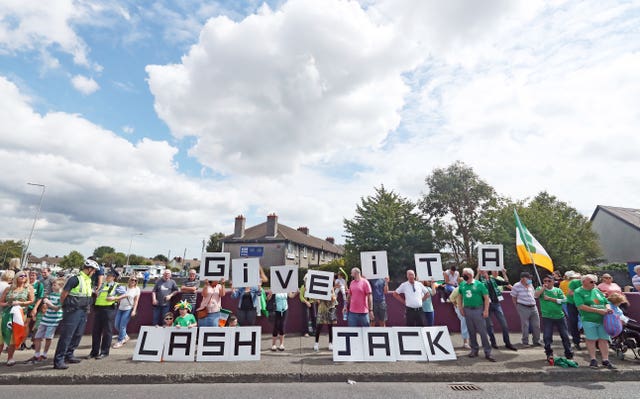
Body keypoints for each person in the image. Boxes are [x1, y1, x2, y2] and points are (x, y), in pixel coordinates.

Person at [53, 259, 99, 369]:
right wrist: (64, 306)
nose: (94, 273)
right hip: (72, 310)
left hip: (83, 310)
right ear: (89, 269)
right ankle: (59, 360)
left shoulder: (88, 280)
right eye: (94, 270)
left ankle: (69, 354)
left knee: (78, 334)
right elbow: (64, 294)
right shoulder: (75, 279)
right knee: (67, 335)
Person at [573, 274, 615, 369]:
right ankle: (593, 359)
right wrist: (598, 311)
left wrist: (608, 308)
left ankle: (605, 360)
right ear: (584, 282)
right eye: (591, 282)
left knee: (603, 339)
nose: (594, 283)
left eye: (595, 282)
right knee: (591, 339)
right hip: (589, 319)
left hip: (602, 320)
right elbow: (580, 306)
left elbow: (606, 302)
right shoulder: (578, 291)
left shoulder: (596, 290)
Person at [457, 268, 494, 361]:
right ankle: (474, 350)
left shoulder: (479, 284)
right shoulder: (462, 285)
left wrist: (486, 310)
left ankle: (487, 352)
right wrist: (460, 308)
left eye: (464, 274)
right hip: (467, 309)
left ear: (470, 275)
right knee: (471, 331)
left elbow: (486, 298)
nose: (463, 275)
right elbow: (460, 297)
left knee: (482, 332)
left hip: (478, 309)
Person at [534, 275, 573, 362]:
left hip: (559, 316)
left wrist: (551, 299)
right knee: (547, 336)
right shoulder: (540, 289)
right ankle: (549, 353)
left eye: (549, 281)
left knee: (565, 336)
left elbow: (564, 300)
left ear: (553, 281)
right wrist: (542, 289)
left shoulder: (557, 290)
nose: (547, 282)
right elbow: (536, 296)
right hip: (547, 317)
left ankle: (568, 353)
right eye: (545, 281)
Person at [477, 269, 517, 351]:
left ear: (487, 271)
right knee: (489, 325)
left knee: (504, 324)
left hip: (496, 303)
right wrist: (478, 272)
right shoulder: (480, 280)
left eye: (483, 270)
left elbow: (506, 282)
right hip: (486, 305)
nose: (482, 272)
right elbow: (475, 282)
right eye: (481, 271)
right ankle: (493, 342)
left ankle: (507, 343)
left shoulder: (493, 279)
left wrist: (504, 273)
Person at [0, 271, 35, 366]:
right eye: (21, 275)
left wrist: (20, 303)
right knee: (1, 337)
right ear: (16, 277)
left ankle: (10, 358)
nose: (23, 277)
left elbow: (32, 301)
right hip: (6, 314)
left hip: (19, 316)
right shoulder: (9, 288)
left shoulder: (28, 288)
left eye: (25, 276)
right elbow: (1, 302)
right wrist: (7, 304)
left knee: (13, 338)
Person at [29, 277, 65, 363]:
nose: (52, 286)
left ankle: (44, 354)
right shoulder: (51, 294)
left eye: (54, 285)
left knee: (48, 337)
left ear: (60, 286)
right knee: (37, 336)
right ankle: (37, 354)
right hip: (46, 318)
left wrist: (48, 303)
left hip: (53, 320)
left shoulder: (61, 296)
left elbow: (57, 308)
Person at [88, 270, 119, 359]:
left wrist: (115, 298)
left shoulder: (117, 286)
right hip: (99, 309)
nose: (107, 277)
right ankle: (94, 352)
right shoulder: (103, 285)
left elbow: (125, 295)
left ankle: (104, 352)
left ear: (113, 277)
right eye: (107, 275)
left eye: (109, 275)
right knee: (96, 331)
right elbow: (97, 293)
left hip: (109, 310)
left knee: (107, 332)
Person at [511, 272, 541, 347]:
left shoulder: (530, 284)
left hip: (533, 306)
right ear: (523, 278)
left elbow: (534, 294)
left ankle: (536, 341)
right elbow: (513, 297)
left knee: (536, 325)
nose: (530, 279)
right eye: (528, 278)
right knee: (525, 325)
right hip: (523, 306)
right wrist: (517, 306)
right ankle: (525, 342)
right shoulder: (516, 285)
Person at [113, 276, 140, 348]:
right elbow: (118, 296)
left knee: (122, 326)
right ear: (129, 280)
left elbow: (136, 301)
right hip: (120, 308)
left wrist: (134, 310)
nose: (133, 281)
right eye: (132, 280)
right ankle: (126, 336)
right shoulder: (124, 288)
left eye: (135, 280)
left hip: (128, 309)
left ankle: (120, 341)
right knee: (116, 325)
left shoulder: (137, 289)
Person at [24, 269, 44, 350]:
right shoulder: (25, 284)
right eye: (30, 275)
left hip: (35, 307)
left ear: (36, 276)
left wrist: (35, 308)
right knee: (25, 324)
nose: (31, 276)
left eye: (33, 275)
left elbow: (40, 297)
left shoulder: (39, 284)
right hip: (26, 307)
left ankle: (34, 343)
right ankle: (23, 342)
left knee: (36, 326)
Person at [565, 271, 583, 350]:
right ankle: (576, 341)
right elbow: (570, 292)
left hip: (583, 303)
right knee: (573, 321)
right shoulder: (573, 283)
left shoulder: (590, 283)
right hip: (572, 303)